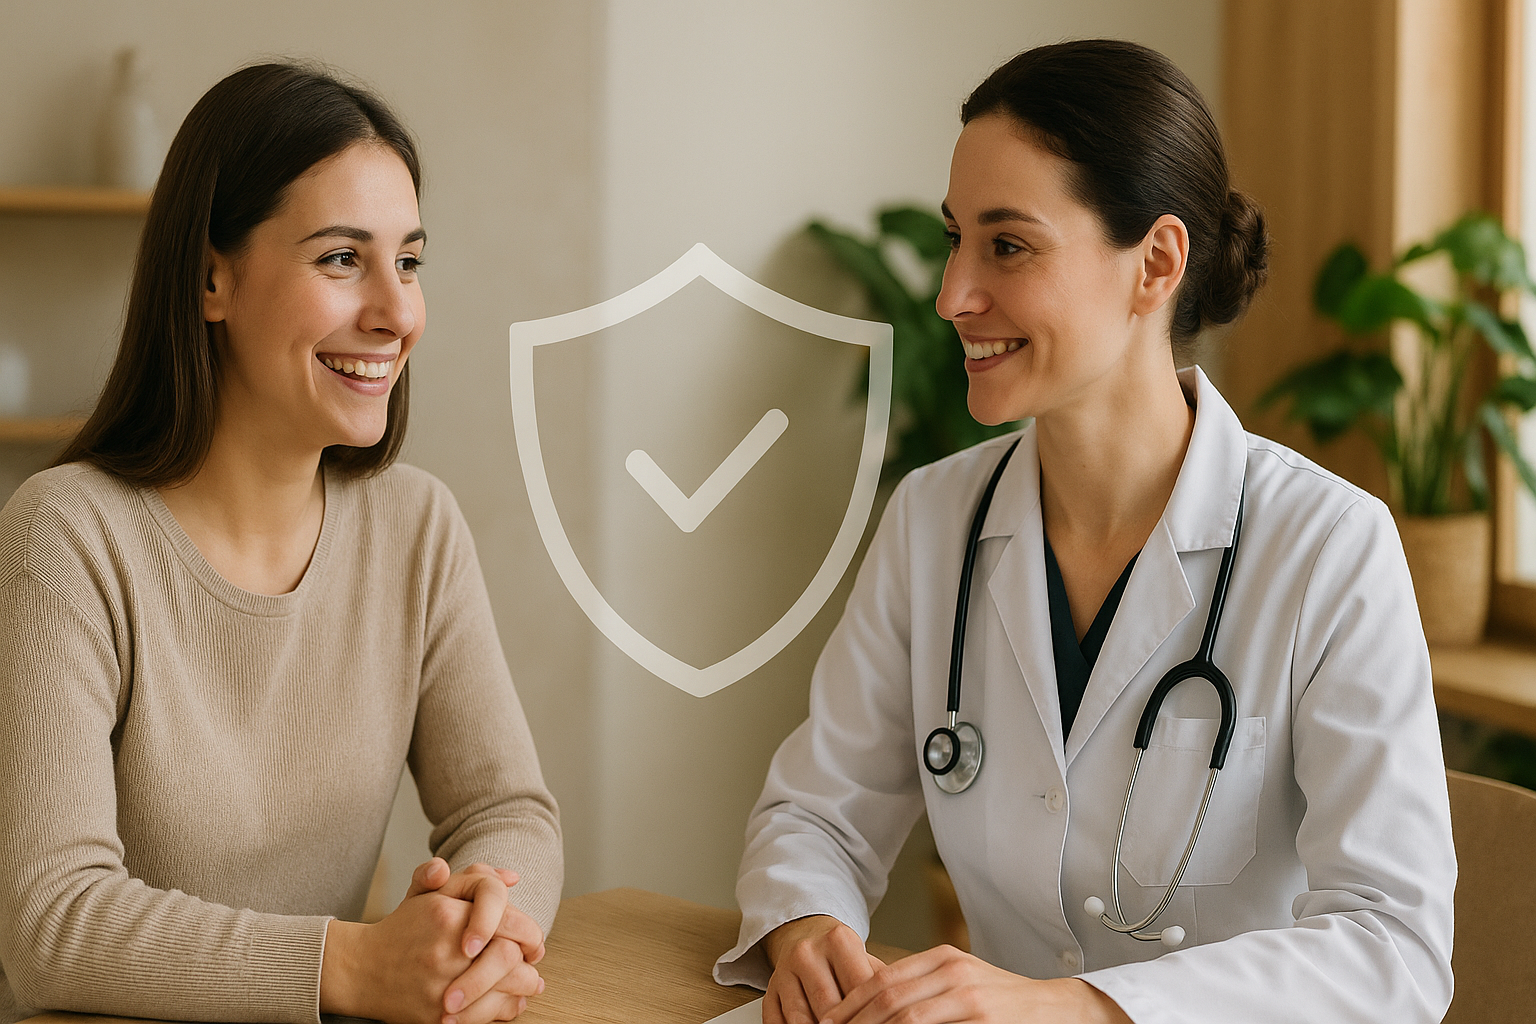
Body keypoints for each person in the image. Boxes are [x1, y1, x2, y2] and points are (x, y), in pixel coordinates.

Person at [716, 39, 1456, 1024]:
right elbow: (816, 814)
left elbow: (1392, 949)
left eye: (1007, 246)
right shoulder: (933, 522)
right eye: (955, 239)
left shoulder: (1328, 549)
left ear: (1155, 264)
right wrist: (809, 929)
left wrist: (1081, 1006)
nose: (951, 295)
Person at [0, 63, 561, 1024]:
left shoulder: (416, 527)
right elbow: (54, 925)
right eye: (342, 259)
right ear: (212, 277)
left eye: (410, 260)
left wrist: (476, 933)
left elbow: (508, 811)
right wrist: (350, 967)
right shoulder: (63, 538)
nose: (398, 312)